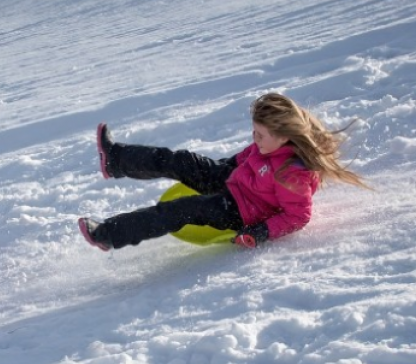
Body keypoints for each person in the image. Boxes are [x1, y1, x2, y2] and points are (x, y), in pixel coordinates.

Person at [78, 92, 367, 251]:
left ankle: (107, 235)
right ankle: (116, 160)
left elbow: (298, 215)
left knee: (176, 211)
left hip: (239, 210)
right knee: (180, 160)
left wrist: (261, 232)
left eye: (260, 135)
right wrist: (223, 167)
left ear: (284, 137)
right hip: (231, 177)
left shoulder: (293, 174)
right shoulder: (267, 146)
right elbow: (248, 157)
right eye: (254, 131)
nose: (254, 139)